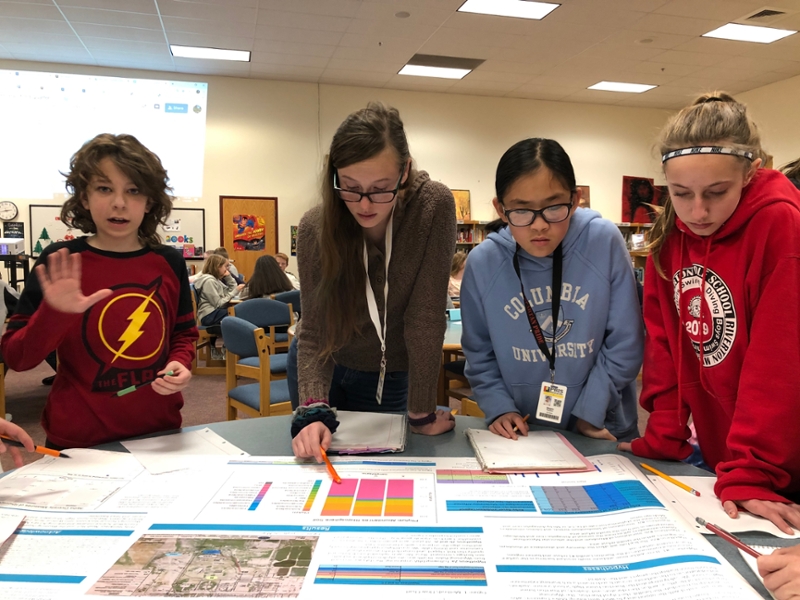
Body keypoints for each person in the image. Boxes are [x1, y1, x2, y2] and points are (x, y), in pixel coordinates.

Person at [617, 93, 800, 534]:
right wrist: (663, 433)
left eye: (717, 193)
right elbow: (664, 345)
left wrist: (754, 470)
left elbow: (779, 361)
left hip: (780, 461)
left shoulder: (781, 223)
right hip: (728, 460)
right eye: (681, 194)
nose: (697, 212)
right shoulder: (671, 235)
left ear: (749, 174)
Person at [1, 133, 197, 449]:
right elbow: (16, 358)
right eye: (105, 188)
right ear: (84, 198)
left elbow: (184, 334)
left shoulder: (169, 261)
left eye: (133, 190)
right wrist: (55, 313)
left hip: (159, 433)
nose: (119, 202)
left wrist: (180, 362)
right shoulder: (60, 261)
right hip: (78, 438)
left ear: (149, 201)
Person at [290, 102, 456, 461]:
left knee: (387, 474)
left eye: (381, 188)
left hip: (391, 373)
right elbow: (315, 329)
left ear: (405, 171)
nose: (364, 204)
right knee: (317, 471)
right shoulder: (314, 227)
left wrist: (422, 411)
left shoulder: (434, 206)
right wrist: (312, 410)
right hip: (326, 367)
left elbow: (425, 315)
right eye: (349, 187)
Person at [461, 138, 643, 442]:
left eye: (554, 207)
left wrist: (591, 411)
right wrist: (499, 407)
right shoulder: (483, 263)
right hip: (523, 431)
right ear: (500, 209)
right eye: (521, 210)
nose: (539, 225)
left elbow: (626, 340)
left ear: (575, 199)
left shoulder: (603, 241)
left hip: (601, 425)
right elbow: (479, 353)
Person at [193, 254, 244, 331]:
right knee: (239, 314)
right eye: (225, 266)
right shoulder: (209, 281)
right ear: (217, 267)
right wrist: (235, 291)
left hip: (214, 313)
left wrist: (229, 278)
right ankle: (231, 341)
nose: (227, 269)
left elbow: (228, 291)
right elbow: (219, 304)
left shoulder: (215, 279)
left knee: (239, 312)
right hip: (209, 315)